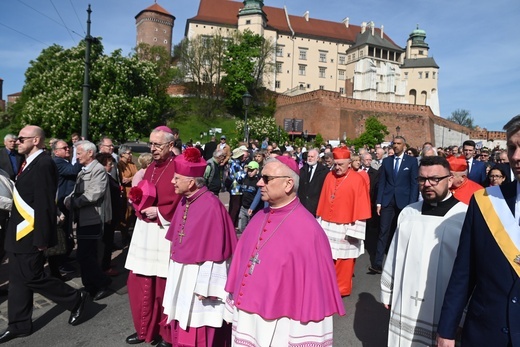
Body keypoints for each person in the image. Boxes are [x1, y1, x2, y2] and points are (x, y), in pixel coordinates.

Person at [224, 156, 345, 345]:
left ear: (288, 184)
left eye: (266, 178)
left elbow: (312, 295)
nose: (259, 183)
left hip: (283, 324)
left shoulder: (309, 231)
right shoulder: (257, 218)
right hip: (249, 317)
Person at [437, 115, 520, 346]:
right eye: (512, 147)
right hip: (485, 332)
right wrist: (447, 330)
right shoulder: (485, 201)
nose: (515, 157)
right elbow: (464, 270)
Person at [0, 126, 88, 344]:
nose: (17, 142)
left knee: (32, 276)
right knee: (18, 281)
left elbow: (45, 204)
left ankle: (75, 298)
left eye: (22, 138)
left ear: (36, 140)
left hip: (31, 233)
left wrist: (42, 238)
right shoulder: (28, 162)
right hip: (17, 231)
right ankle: (19, 325)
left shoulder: (44, 163)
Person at [381, 156, 468, 346]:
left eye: (435, 179)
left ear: (450, 179)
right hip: (404, 299)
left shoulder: (464, 216)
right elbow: (394, 254)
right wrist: (387, 291)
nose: (427, 184)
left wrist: (462, 314)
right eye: (422, 179)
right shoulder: (408, 213)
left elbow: (470, 271)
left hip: (442, 305)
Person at [162, 147, 237, 346]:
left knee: (198, 327)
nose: (172, 182)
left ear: (192, 181)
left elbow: (217, 253)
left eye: (177, 178)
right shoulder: (185, 201)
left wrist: (207, 286)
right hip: (182, 273)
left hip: (197, 281)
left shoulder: (211, 206)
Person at [124, 126, 181, 347]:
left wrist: (159, 211)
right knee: (139, 282)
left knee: (162, 287)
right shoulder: (151, 168)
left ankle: (165, 334)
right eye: (151, 144)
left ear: (170, 145)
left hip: (162, 233)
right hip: (144, 232)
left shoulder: (177, 167)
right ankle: (144, 330)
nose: (153, 148)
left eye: (157, 144)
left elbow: (181, 200)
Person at [316, 147, 372, 296]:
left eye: (341, 164)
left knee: (344, 260)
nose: (337, 167)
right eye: (336, 164)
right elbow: (323, 200)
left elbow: (361, 206)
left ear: (349, 163)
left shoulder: (358, 179)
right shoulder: (329, 176)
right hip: (328, 224)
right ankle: (326, 286)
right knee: (326, 257)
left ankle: (341, 289)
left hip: (347, 225)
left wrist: (355, 231)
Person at [65, 141, 113, 300]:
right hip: (83, 219)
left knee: (86, 255)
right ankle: (90, 285)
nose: (76, 156)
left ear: (90, 153)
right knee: (84, 255)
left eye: (79, 153)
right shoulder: (84, 170)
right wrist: (68, 199)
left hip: (92, 219)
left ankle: (102, 282)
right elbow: (75, 192)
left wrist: (73, 203)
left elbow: (94, 193)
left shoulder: (97, 170)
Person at [370, 136, 419, 274]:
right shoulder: (386, 161)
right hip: (387, 201)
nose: (396, 146)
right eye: (394, 144)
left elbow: (414, 184)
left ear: (404, 145)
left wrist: (412, 205)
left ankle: (400, 263)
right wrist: (379, 202)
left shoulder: (412, 161)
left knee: (401, 232)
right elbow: (382, 183)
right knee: (383, 231)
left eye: (398, 144)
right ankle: (377, 263)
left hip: (404, 202)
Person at [96, 152, 122, 276]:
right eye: (109, 164)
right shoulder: (103, 177)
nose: (111, 167)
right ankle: (104, 267)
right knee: (106, 241)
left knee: (109, 239)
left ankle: (106, 262)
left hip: (113, 212)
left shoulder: (107, 175)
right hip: (108, 215)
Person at [298, 148, 329, 216]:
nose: (309, 158)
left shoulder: (324, 171)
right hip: (303, 206)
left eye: (312, 157)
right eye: (308, 156)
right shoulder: (302, 170)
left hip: (316, 206)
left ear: (317, 158)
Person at [118, 145, 138, 245]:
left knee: (132, 215)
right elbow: (123, 179)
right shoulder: (120, 164)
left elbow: (137, 175)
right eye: (128, 153)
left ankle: (129, 235)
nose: (130, 155)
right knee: (125, 214)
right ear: (122, 154)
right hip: (125, 193)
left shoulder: (132, 164)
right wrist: (132, 178)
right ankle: (124, 236)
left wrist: (130, 178)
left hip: (133, 191)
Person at [237, 161, 261, 233]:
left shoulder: (258, 181)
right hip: (243, 207)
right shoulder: (245, 178)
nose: (250, 172)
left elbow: (259, 196)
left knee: (252, 228)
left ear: (257, 170)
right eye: (248, 170)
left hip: (253, 209)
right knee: (241, 227)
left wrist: (253, 207)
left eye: (252, 170)